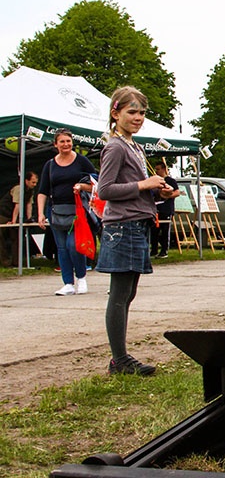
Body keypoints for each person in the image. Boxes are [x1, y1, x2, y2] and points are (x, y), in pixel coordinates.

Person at [96, 86, 170, 376]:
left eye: (141, 113)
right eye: (132, 112)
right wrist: (144, 185)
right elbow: (105, 190)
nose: (138, 118)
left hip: (137, 224)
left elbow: (134, 189)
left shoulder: (134, 146)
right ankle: (119, 359)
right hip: (122, 227)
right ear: (116, 113)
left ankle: (121, 358)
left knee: (128, 294)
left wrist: (159, 192)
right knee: (119, 293)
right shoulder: (115, 146)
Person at [37, 129, 97, 295]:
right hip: (55, 210)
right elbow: (42, 190)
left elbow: (96, 183)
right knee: (61, 248)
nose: (66, 145)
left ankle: (81, 277)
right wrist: (41, 213)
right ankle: (68, 283)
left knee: (73, 245)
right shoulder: (49, 165)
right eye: (62, 142)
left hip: (77, 210)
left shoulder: (82, 161)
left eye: (68, 141)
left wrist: (82, 186)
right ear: (55, 144)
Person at [0, 171, 39, 267]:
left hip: (13, 215)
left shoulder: (30, 190)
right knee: (1, 239)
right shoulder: (18, 189)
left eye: (36, 183)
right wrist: (13, 221)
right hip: (3, 214)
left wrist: (29, 219)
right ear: (26, 181)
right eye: (33, 182)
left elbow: (29, 204)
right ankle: (5, 262)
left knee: (16, 238)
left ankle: (16, 262)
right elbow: (17, 205)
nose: (35, 185)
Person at [150, 161, 180, 258]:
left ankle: (164, 250)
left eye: (158, 169)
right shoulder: (155, 181)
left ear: (163, 169)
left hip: (166, 209)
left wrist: (168, 195)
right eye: (156, 169)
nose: (157, 171)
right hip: (155, 209)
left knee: (165, 230)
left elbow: (177, 192)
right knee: (154, 231)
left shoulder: (170, 181)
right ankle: (154, 249)